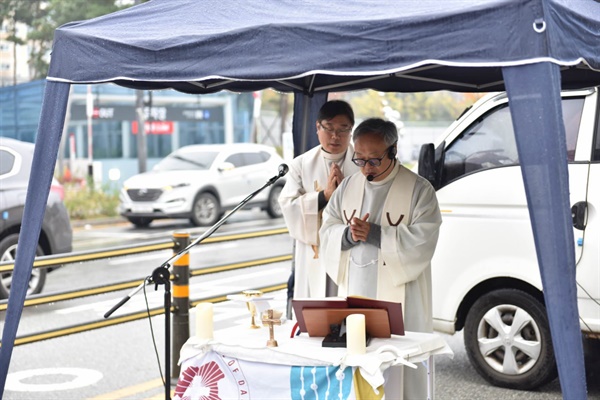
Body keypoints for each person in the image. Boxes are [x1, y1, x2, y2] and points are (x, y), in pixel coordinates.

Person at [319, 117, 442, 399]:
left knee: (400, 377)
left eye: (374, 160)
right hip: (355, 289)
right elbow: (328, 227)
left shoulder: (419, 190)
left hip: (402, 299)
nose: (366, 168)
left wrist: (377, 234)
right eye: (359, 159)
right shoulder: (348, 186)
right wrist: (347, 236)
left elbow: (423, 240)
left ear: (394, 150)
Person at [278, 100, 360, 299]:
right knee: (315, 306)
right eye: (329, 128)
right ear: (317, 127)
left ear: (351, 130)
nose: (335, 136)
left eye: (343, 129)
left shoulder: (362, 162)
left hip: (352, 250)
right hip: (314, 252)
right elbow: (288, 205)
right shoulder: (301, 164)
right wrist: (324, 196)